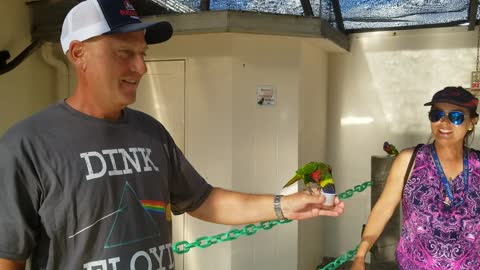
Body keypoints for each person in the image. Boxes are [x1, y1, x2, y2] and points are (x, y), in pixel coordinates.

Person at [0, 0, 344, 269]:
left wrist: (285, 206)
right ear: (79, 54)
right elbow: (8, 256)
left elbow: (204, 200)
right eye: (125, 53)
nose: (141, 67)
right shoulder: (27, 146)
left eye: (142, 54)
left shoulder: (150, 133)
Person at [352, 86, 480, 270]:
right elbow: (383, 209)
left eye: (456, 116)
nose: (444, 122)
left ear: (471, 122)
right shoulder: (409, 161)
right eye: (436, 115)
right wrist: (360, 255)